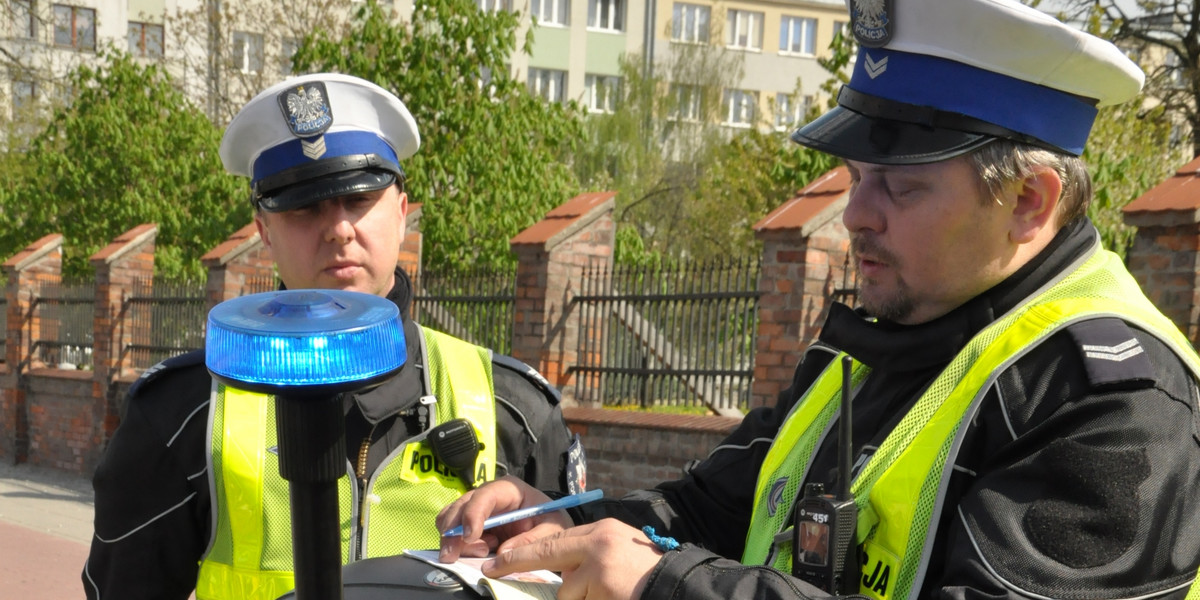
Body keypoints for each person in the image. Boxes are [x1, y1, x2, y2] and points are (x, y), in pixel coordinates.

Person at [437, 0, 1200, 598]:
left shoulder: (1119, 401)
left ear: (1031, 200)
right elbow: (715, 514)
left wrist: (662, 586)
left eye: (902, 185)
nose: (859, 215)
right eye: (857, 177)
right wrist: (559, 523)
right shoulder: (883, 336)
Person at [82, 73, 585, 600]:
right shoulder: (183, 412)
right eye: (303, 207)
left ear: (401, 211)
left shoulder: (513, 407)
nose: (338, 229)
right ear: (263, 231)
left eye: (360, 197)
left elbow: (580, 579)